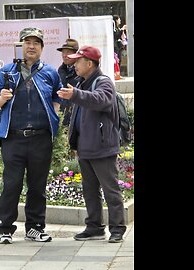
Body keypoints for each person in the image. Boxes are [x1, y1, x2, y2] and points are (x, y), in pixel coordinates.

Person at [0, 27, 62, 244]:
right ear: (20, 46)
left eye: (36, 43)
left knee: (38, 186)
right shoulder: (7, 72)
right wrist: (2, 97)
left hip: (41, 138)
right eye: (27, 42)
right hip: (13, 138)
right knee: (12, 184)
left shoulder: (50, 72)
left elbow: (57, 98)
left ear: (41, 48)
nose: (31, 46)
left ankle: (35, 227)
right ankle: (6, 229)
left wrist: (53, 118)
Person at [57, 45, 127, 243]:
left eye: (78, 61)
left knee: (110, 190)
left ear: (89, 63)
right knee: (90, 191)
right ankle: (94, 227)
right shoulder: (81, 82)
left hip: (102, 148)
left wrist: (76, 95)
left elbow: (101, 100)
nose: (74, 64)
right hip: (85, 147)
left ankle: (117, 229)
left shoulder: (103, 82)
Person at [56, 38, 80, 126]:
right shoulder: (61, 70)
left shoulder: (81, 70)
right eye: (63, 52)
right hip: (63, 115)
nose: (65, 55)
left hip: (78, 115)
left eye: (68, 52)